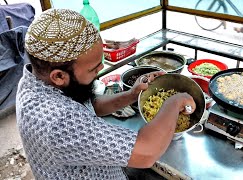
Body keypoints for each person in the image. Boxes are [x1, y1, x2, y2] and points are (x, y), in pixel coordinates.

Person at [16, 9, 196, 179]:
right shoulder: (57, 121)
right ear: (59, 76)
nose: (101, 68)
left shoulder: (35, 80)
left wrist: (131, 95)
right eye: (93, 68)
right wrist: (174, 102)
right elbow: (147, 151)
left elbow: (90, 106)